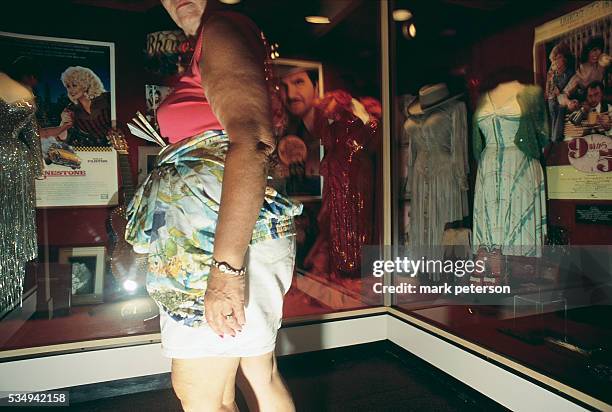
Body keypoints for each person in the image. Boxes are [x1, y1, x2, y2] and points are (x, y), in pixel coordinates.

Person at [125, 1, 302, 411]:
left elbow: (253, 140)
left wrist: (225, 271)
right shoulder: (224, 33)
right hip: (224, 232)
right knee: (254, 378)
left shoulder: (220, 30)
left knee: (202, 395)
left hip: (216, 243)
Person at [60, 66, 111, 147]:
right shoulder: (71, 109)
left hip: (117, 147)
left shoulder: (107, 98)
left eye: (74, 85)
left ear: (85, 84)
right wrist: (63, 122)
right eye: (68, 86)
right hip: (92, 153)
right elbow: (62, 138)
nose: (71, 90)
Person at [545, 43, 575, 142]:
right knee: (552, 106)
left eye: (559, 57)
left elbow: (560, 90)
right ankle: (553, 139)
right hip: (553, 101)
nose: (556, 61)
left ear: (565, 58)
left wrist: (554, 91)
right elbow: (548, 93)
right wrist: (549, 79)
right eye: (554, 59)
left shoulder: (569, 72)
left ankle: (555, 139)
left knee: (559, 107)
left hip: (563, 100)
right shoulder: (554, 74)